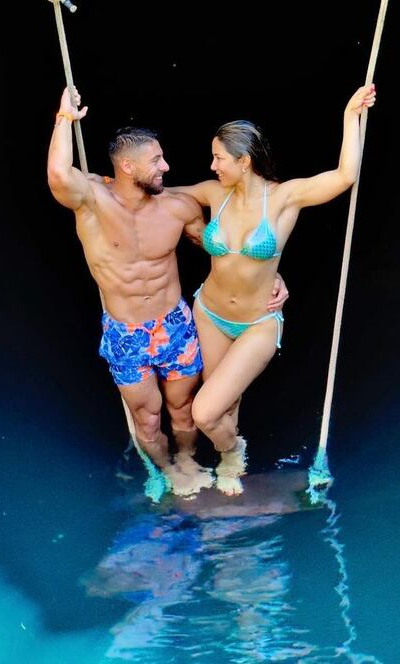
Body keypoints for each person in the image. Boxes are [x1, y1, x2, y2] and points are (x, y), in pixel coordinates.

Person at [46, 87, 288, 497]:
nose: (166, 166)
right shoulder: (91, 201)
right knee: (147, 419)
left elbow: (225, 251)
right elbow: (58, 175)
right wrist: (64, 120)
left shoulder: (178, 206)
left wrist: (271, 277)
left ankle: (189, 461)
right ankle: (166, 470)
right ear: (126, 167)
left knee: (183, 411)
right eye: (156, 160)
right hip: (125, 333)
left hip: (175, 324)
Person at [172, 84, 377, 495]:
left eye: (218, 157)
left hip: (257, 322)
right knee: (224, 406)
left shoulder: (283, 198)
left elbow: (345, 176)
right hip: (209, 313)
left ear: (244, 161)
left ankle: (232, 453)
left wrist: (349, 115)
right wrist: (98, 183)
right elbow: (157, 196)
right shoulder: (214, 194)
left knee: (205, 411)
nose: (212, 165)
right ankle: (229, 453)